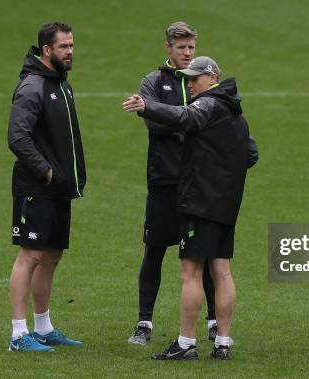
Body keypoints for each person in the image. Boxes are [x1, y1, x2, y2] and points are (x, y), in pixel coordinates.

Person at [123, 56, 258, 360]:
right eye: (186, 79)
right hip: (225, 205)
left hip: (200, 204)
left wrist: (148, 106)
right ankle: (222, 342)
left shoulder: (208, 105)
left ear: (211, 77)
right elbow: (250, 154)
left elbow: (186, 118)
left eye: (195, 78)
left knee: (190, 272)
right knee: (221, 270)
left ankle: (186, 343)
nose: (190, 84)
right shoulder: (236, 112)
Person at [127, 21, 219, 346]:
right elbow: (154, 122)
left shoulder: (203, 81)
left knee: (202, 254)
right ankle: (144, 322)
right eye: (181, 47)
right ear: (168, 48)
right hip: (164, 182)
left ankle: (212, 321)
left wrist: (178, 117)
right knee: (154, 251)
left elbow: (211, 122)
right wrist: (186, 118)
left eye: (191, 47)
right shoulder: (153, 81)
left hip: (198, 185)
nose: (187, 53)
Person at [7, 22, 86, 352]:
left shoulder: (61, 85)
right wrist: (46, 172)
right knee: (31, 255)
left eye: (71, 45)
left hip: (58, 189)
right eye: (63, 46)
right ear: (46, 50)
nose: (70, 51)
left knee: (52, 255)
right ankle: (17, 334)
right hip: (36, 187)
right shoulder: (33, 86)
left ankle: (42, 326)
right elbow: (17, 137)